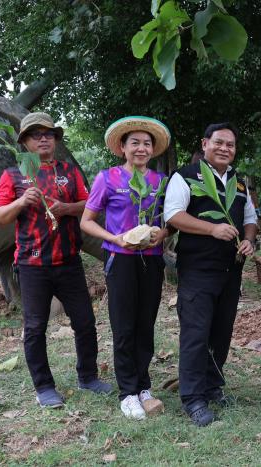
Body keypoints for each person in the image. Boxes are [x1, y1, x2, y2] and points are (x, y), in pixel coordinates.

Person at [0, 112, 111, 408]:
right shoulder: (13, 174)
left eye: (48, 134)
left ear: (55, 139)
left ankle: (88, 377)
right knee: (35, 328)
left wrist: (66, 208)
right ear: (25, 142)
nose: (43, 139)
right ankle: (44, 387)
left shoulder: (69, 171)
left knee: (85, 322)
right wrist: (21, 201)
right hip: (32, 265)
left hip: (69, 261)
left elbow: (90, 205)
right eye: (36, 135)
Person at [164, 122, 258, 427]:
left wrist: (249, 239)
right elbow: (173, 215)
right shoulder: (186, 176)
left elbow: (250, 218)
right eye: (219, 142)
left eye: (230, 144)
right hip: (198, 269)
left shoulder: (239, 183)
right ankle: (193, 398)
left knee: (221, 331)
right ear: (205, 144)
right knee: (196, 333)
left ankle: (212, 386)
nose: (224, 148)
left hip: (231, 270)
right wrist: (212, 229)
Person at [80, 116, 171, 419]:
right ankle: (128, 392)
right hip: (120, 259)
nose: (141, 148)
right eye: (135, 143)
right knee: (124, 325)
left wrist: (163, 233)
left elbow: (170, 220)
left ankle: (143, 386)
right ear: (122, 147)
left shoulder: (160, 182)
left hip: (152, 259)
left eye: (146, 143)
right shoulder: (108, 178)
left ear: (153, 149)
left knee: (146, 324)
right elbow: (87, 221)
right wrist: (115, 238)